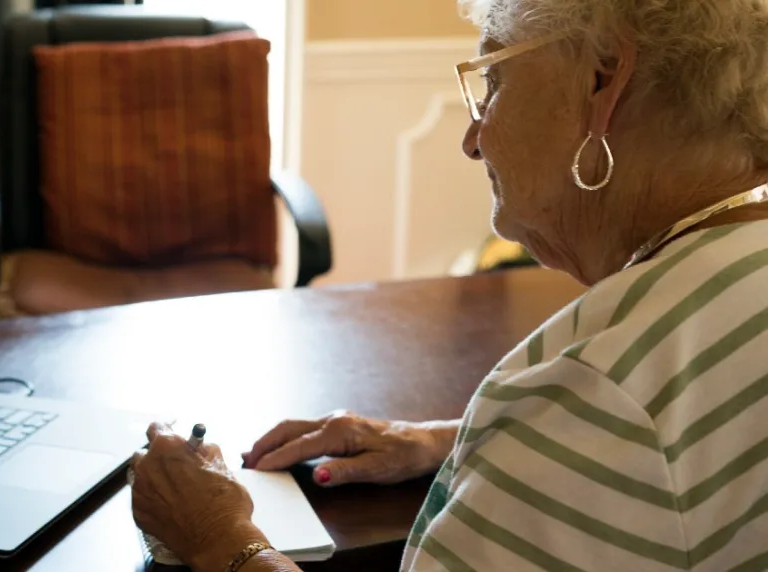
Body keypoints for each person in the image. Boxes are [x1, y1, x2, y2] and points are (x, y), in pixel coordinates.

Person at [129, 0, 768, 570]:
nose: (472, 139)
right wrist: (459, 441)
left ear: (604, 80)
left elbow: (632, 426)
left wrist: (220, 536)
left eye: (494, 82)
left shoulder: (599, 392)